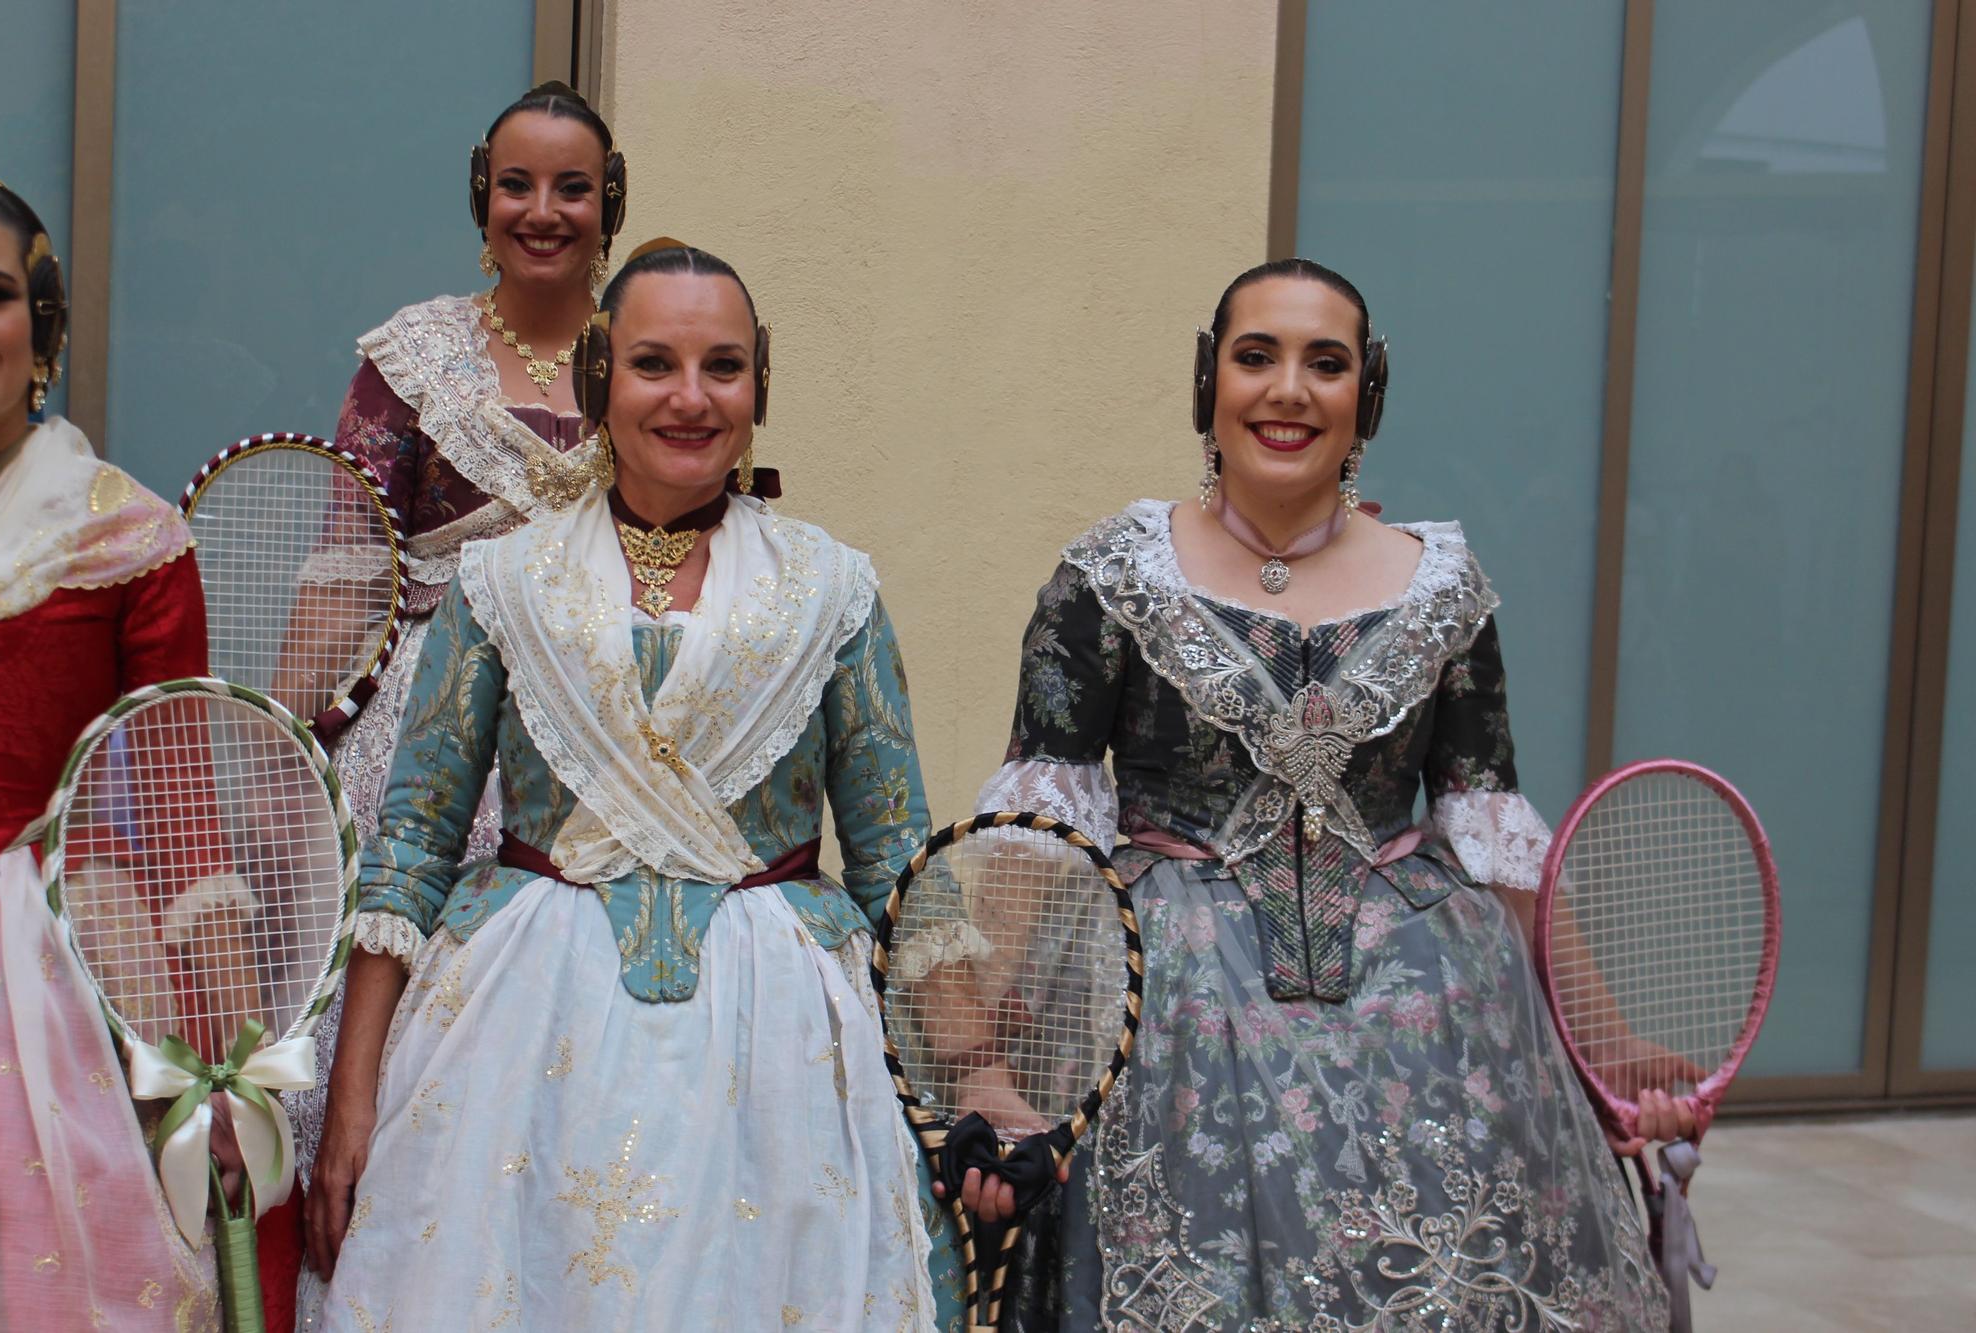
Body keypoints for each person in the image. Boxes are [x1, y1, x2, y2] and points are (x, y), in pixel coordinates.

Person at [979, 259, 1682, 1330]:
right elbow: (1037, 833)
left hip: (1430, 1025)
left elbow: (1492, 837)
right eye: (1254, 356)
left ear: (1368, 394)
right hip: (1167, 1022)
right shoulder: (1107, 579)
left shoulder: (1441, 584)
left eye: (1326, 362)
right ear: (1208, 380)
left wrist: (1607, 1042)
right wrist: (982, 1060)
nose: (1288, 389)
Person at [309, 242, 943, 1328]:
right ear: (601, 375)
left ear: (761, 384)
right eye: (654, 363)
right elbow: (411, 851)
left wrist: (963, 1085)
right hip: (517, 1040)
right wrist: (353, 1099)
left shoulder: (832, 589)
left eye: (724, 367)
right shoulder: (498, 581)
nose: (690, 397)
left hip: (777, 1046)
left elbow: (899, 866)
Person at [283, 79, 638, 1318]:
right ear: (480, 198)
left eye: (572, 188)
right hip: (419, 741)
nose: (543, 211)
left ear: (613, 205)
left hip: (588, 753)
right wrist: (284, 753)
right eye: (516, 185)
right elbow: (343, 568)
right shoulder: (413, 354)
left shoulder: (646, 354)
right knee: (397, 1032)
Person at [0, 171, 225, 1329]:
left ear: (44, 329)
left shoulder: (124, 534)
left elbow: (180, 803)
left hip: (48, 967)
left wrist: (220, 1060)